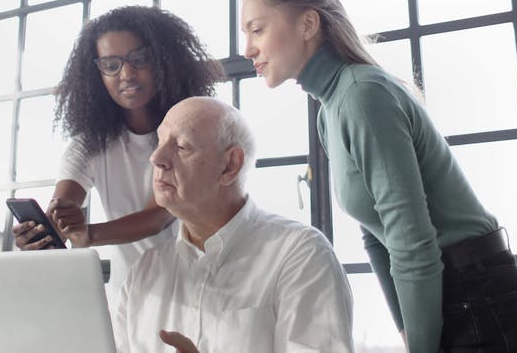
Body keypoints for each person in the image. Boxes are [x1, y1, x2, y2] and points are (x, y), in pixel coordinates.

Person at [240, 0, 517, 353]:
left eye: (257, 30)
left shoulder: (362, 95)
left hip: (481, 303)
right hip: (453, 299)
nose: (247, 49)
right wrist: (407, 328)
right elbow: (375, 234)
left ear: (308, 23)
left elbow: (411, 239)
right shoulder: (329, 111)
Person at [115, 97, 354, 353]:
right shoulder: (144, 274)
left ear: (230, 165)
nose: (157, 157)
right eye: (160, 141)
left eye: (182, 146)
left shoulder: (301, 255)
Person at [13, 5, 221, 294]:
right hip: (127, 298)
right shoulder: (88, 146)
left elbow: (160, 215)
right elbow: (63, 207)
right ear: (96, 75)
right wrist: (43, 233)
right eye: (111, 65)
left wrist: (89, 235)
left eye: (139, 59)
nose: (126, 74)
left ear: (163, 60)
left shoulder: (190, 134)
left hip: (196, 289)